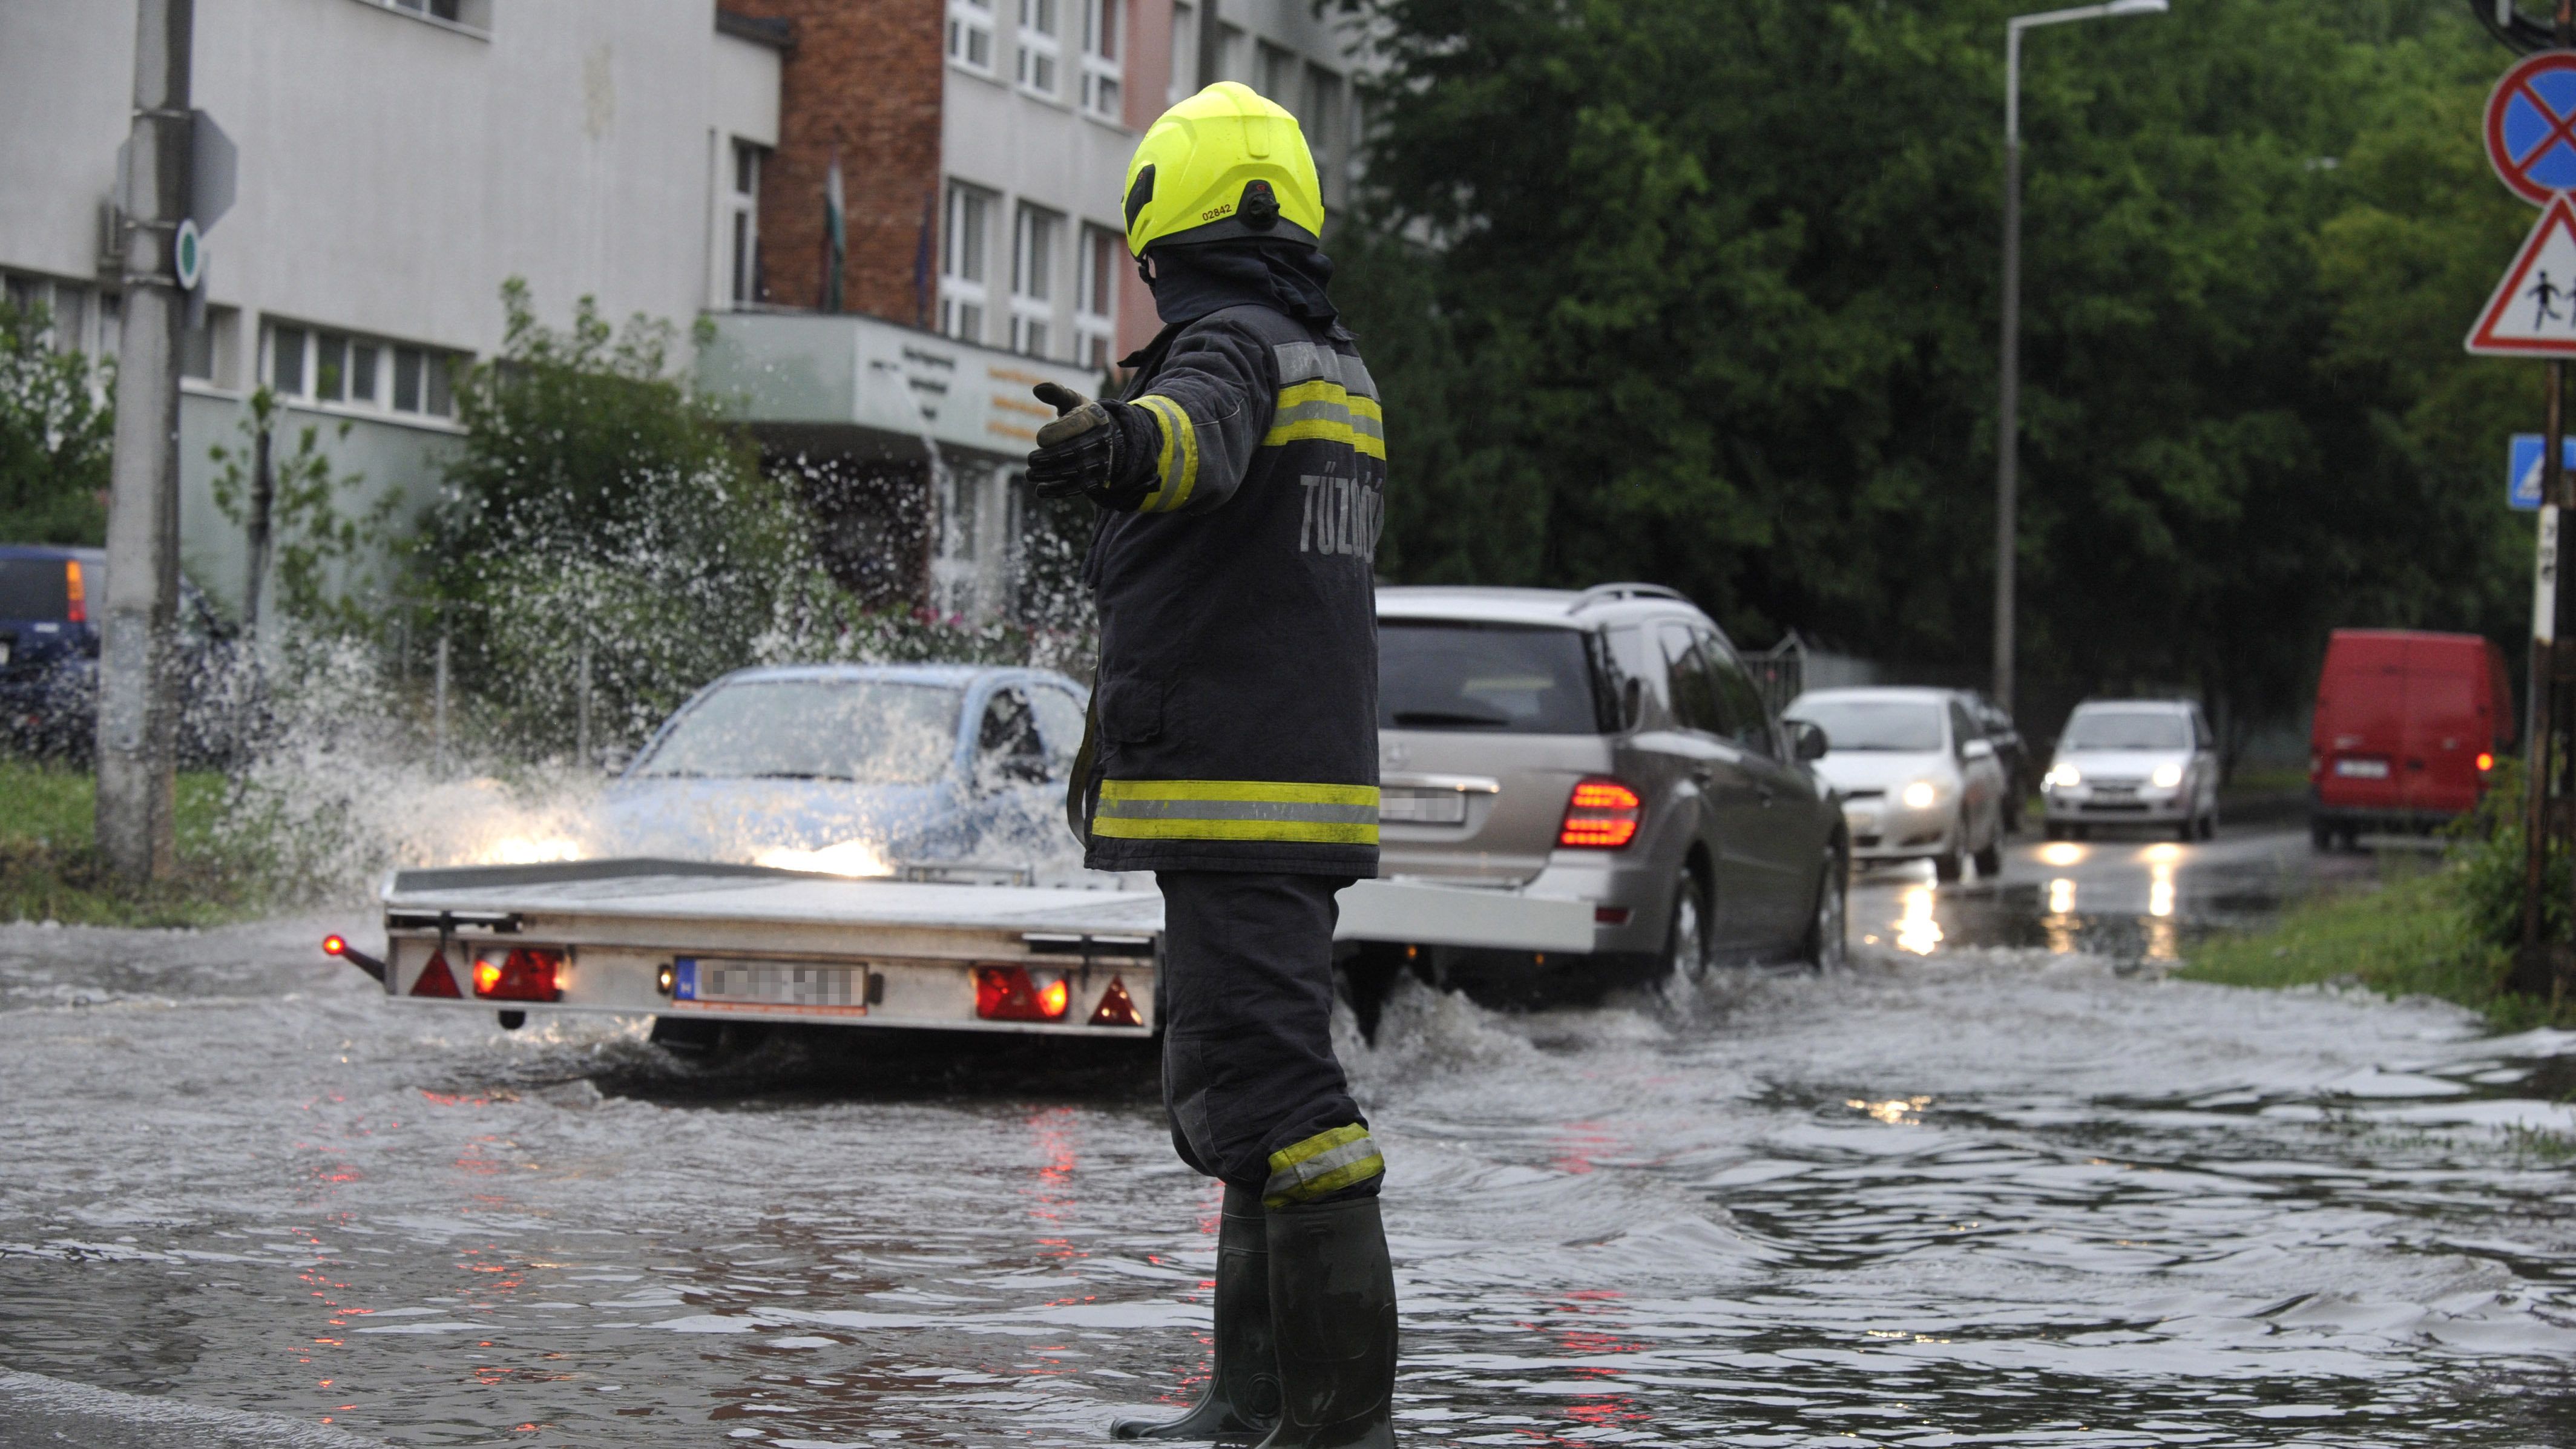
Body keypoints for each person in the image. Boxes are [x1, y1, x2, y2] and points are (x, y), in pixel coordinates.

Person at [1022, 80, 1395, 1449]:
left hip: (1237, 797)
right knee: (1242, 1093)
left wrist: (1117, 441)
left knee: (1288, 1106)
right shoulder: (1327, 363)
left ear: (1161, 230)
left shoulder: (1229, 349)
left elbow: (1192, 443)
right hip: (1276, 795)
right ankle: (1249, 1407)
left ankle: (1337, 1429)